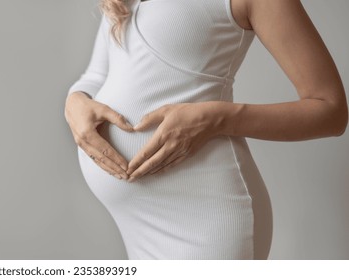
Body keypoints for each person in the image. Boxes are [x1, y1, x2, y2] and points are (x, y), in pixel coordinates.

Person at [64, 0, 347, 259]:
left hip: (208, 218)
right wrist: (75, 102)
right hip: (136, 224)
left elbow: (330, 110)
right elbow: (97, 75)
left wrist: (217, 118)